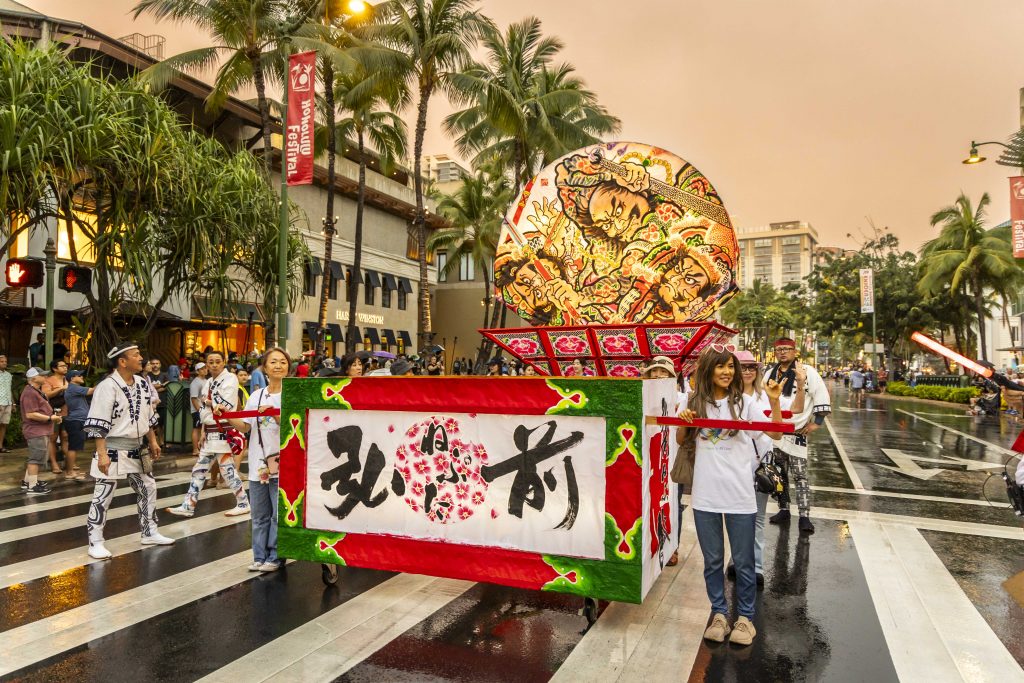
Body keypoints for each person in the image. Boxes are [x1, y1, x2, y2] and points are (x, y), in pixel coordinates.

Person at [675, 347, 784, 646]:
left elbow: (775, 434)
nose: (727, 372)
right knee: (712, 561)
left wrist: (774, 401)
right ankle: (720, 614)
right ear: (708, 370)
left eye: (731, 367)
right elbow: (681, 439)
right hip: (705, 496)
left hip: (739, 495)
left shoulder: (744, 403)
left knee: (744, 561)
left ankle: (745, 619)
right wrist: (685, 419)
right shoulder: (693, 401)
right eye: (721, 366)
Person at [83, 342, 174, 558]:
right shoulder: (107, 386)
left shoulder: (142, 383)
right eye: (136, 355)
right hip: (112, 448)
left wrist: (153, 441)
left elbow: (147, 415)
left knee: (148, 488)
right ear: (122, 362)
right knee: (103, 495)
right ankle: (95, 541)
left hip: (137, 447)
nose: (141, 358)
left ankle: (149, 532)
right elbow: (98, 423)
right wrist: (102, 454)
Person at [729, 350, 805, 588]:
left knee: (757, 518)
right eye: (742, 367)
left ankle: (757, 567)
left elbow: (797, 408)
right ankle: (737, 561)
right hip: (733, 467)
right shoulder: (727, 397)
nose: (748, 371)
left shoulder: (766, 394)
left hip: (759, 467)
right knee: (735, 518)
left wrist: (800, 384)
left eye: (752, 367)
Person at [226, 348, 289, 572]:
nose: (278, 366)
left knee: (277, 515)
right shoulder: (257, 396)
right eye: (273, 362)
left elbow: (295, 426)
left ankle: (275, 556)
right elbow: (246, 427)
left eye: (283, 362)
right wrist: (228, 415)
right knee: (260, 515)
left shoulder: (292, 394)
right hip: (258, 464)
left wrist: (274, 413)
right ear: (265, 367)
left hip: (284, 464)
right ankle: (259, 556)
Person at [167, 350, 250, 518]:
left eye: (217, 361)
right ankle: (189, 504)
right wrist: (204, 430)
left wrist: (207, 402)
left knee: (225, 471)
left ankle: (242, 502)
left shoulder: (230, 378)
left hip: (222, 431)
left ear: (223, 362)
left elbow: (225, 406)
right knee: (203, 470)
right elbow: (207, 409)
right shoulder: (209, 382)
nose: (214, 365)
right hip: (211, 431)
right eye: (210, 362)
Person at [765, 338, 832, 534]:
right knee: (780, 474)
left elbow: (821, 395)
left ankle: (804, 516)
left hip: (797, 432)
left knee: (801, 476)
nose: (782, 352)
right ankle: (784, 509)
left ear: (795, 351)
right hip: (776, 433)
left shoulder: (808, 371)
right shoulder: (770, 373)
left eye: (787, 349)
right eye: (779, 349)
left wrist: (816, 423)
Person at [19, 367, 57, 494]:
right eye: (42, 375)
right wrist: (50, 418)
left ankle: (28, 481)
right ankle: (32, 486)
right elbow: (30, 414)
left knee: (36, 457)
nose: (45, 377)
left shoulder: (35, 391)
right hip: (36, 430)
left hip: (40, 430)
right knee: (36, 458)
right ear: (34, 378)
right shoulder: (30, 393)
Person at [63, 369, 94, 481]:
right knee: (73, 447)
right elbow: (92, 391)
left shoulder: (75, 389)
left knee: (74, 447)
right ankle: (69, 472)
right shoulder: (73, 387)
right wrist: (107, 380)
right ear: (72, 378)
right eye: (79, 375)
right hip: (75, 420)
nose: (82, 377)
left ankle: (71, 470)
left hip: (78, 420)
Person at [42, 358, 69, 474]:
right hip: (54, 413)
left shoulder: (67, 379)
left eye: (65, 365)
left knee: (65, 437)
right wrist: (60, 389)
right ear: (54, 368)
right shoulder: (48, 381)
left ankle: (69, 462)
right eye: (62, 366)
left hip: (67, 412)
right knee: (53, 438)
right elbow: (46, 395)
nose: (65, 367)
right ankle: (54, 463)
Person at [147, 358, 169, 447]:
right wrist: (161, 385)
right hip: (151, 404)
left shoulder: (165, 375)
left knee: (162, 424)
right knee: (151, 424)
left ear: (160, 365)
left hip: (162, 402)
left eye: (157, 363)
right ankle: (152, 443)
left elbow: (167, 386)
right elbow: (149, 387)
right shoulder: (148, 375)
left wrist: (154, 388)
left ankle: (162, 442)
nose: (155, 365)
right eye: (153, 363)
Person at [189, 362, 208, 458]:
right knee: (196, 428)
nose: (205, 370)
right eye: (202, 369)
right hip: (198, 410)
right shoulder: (195, 383)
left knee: (202, 429)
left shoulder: (206, 381)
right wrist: (199, 410)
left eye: (205, 368)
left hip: (204, 409)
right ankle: (195, 449)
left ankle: (201, 448)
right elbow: (194, 398)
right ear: (197, 371)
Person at [0, 354, 12, 452]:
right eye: (2, 361)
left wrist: (13, 403)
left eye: (5, 361)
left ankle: (0, 446)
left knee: (4, 424)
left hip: (8, 402)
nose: (4, 363)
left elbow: (9, 389)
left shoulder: (8, 375)